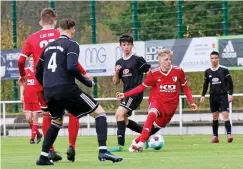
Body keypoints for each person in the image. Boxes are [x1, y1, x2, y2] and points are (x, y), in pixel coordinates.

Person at [35, 18, 123, 165]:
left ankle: (43, 156)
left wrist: (49, 85)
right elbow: (71, 67)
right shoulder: (72, 44)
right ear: (73, 30)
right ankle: (103, 151)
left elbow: (38, 73)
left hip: (49, 91)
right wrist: (86, 81)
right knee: (99, 113)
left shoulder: (48, 47)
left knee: (56, 121)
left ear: (58, 30)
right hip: (65, 88)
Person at [18, 8, 91, 162]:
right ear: (55, 22)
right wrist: (84, 73)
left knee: (47, 115)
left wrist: (23, 76)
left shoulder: (32, 38)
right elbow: (73, 61)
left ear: (40, 22)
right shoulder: (60, 35)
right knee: (73, 112)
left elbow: (20, 61)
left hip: (43, 83)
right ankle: (72, 145)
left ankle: (49, 150)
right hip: (63, 80)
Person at [116, 48, 198, 152]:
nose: (169, 61)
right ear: (160, 61)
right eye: (166, 59)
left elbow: (185, 87)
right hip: (157, 101)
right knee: (152, 114)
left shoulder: (178, 71)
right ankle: (141, 143)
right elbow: (142, 87)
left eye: (169, 59)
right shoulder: (154, 73)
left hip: (170, 107)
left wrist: (192, 102)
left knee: (152, 130)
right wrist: (125, 94)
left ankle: (136, 141)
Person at [110, 35, 152, 152]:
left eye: (128, 44)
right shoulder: (119, 62)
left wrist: (145, 86)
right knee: (124, 120)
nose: (126, 47)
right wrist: (116, 72)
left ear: (132, 45)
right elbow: (115, 82)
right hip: (125, 94)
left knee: (118, 114)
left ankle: (120, 145)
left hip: (135, 94)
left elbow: (149, 73)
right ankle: (145, 135)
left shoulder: (138, 59)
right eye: (124, 45)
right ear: (120, 46)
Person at [200, 51, 234, 143]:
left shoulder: (224, 69)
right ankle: (215, 137)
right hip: (213, 96)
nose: (214, 60)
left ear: (218, 58)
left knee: (225, 115)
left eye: (215, 58)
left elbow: (230, 83)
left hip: (223, 95)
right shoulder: (207, 71)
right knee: (215, 116)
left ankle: (229, 135)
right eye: (212, 58)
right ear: (210, 59)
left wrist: (230, 94)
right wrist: (202, 95)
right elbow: (206, 84)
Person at [20, 56, 43, 144]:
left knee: (35, 118)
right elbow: (22, 84)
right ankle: (38, 134)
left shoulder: (39, 71)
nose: (32, 62)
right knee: (28, 118)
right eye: (31, 60)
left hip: (37, 98)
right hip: (27, 98)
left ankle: (32, 138)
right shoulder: (25, 71)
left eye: (33, 60)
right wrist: (21, 95)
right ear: (28, 61)